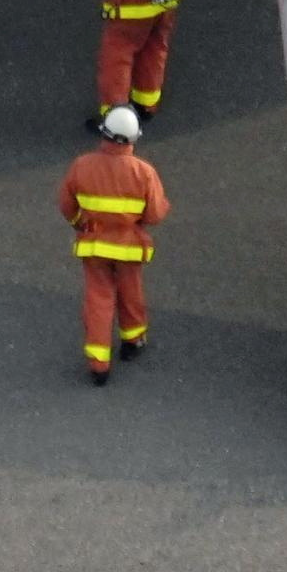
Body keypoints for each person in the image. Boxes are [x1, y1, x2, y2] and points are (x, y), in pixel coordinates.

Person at [60, 107, 170, 384]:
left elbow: (66, 204)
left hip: (94, 245)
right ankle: (133, 341)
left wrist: (80, 223)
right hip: (129, 247)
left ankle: (99, 364)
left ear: (104, 133)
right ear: (133, 139)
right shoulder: (144, 173)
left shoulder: (82, 165)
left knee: (98, 299)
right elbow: (156, 214)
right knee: (131, 292)